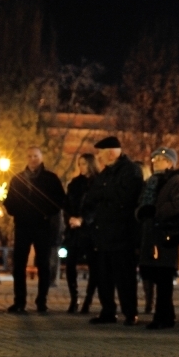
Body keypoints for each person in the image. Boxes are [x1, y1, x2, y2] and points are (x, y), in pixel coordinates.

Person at [82, 136, 145, 326]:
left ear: (110, 152)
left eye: (100, 154)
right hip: (103, 235)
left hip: (122, 235)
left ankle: (130, 312)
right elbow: (92, 196)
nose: (99, 158)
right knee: (104, 277)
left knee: (124, 277)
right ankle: (107, 311)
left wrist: (104, 194)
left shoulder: (131, 170)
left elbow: (125, 198)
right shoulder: (106, 173)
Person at [3, 146, 66, 313]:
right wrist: (15, 211)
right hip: (22, 225)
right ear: (26, 158)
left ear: (41, 157)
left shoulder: (50, 178)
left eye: (36, 156)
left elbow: (60, 200)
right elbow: (9, 200)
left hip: (42, 225)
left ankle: (41, 301)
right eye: (30, 156)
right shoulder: (17, 179)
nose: (33, 159)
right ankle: (19, 301)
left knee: (43, 264)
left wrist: (46, 212)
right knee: (19, 264)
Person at [136, 148, 179, 330]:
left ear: (170, 163)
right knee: (154, 274)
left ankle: (161, 317)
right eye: (154, 158)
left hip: (166, 234)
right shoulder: (151, 181)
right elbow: (142, 203)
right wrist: (141, 212)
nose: (155, 161)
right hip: (150, 233)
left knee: (164, 276)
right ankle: (168, 315)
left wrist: (156, 211)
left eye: (160, 159)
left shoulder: (175, 181)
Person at [64, 153, 100, 314]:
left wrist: (84, 219)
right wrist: (70, 218)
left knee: (94, 266)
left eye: (84, 164)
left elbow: (98, 207)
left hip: (91, 231)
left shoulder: (98, 183)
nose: (82, 167)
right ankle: (74, 297)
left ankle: (88, 300)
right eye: (80, 164)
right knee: (70, 264)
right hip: (74, 231)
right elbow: (67, 204)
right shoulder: (75, 184)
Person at [134, 161, 155, 314]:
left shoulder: (148, 188)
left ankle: (149, 301)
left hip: (145, 230)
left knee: (147, 268)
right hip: (136, 230)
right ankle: (146, 301)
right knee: (142, 268)